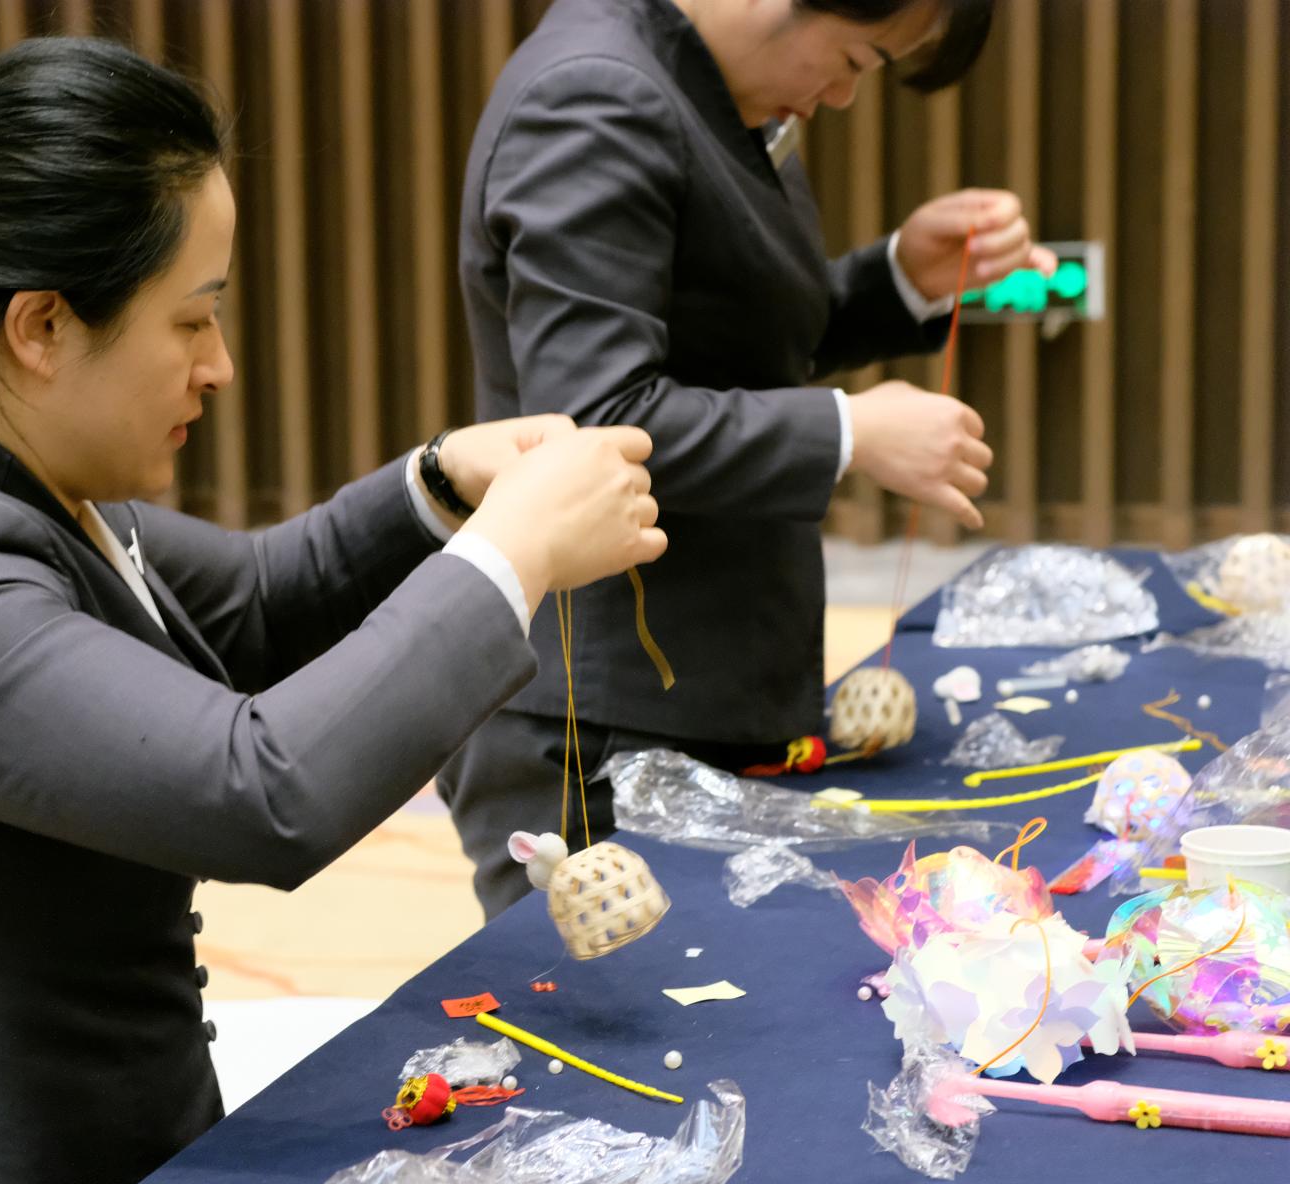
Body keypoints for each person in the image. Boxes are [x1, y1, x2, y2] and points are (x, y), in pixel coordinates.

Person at [0, 35, 667, 1184]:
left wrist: (442, 484)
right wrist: (513, 555)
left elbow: (248, 605)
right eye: (192, 319)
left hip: (122, 1176)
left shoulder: (19, 483)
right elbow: (259, 790)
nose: (220, 366)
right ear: (40, 325)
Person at [443, 0, 1056, 916]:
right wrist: (850, 431)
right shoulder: (594, 96)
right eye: (856, 57)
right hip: (596, 713)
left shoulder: (699, 80)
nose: (843, 96)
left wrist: (898, 279)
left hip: (695, 683)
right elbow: (596, 419)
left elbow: (731, 345)